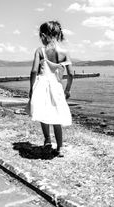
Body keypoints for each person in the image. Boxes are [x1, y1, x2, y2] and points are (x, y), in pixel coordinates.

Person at [28, 21, 74, 157]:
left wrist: (31, 88)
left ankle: (47, 140)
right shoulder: (64, 52)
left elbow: (33, 71)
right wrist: (68, 89)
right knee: (57, 116)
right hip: (56, 86)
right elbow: (71, 74)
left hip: (42, 85)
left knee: (43, 112)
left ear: (43, 35)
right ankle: (59, 147)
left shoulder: (40, 51)